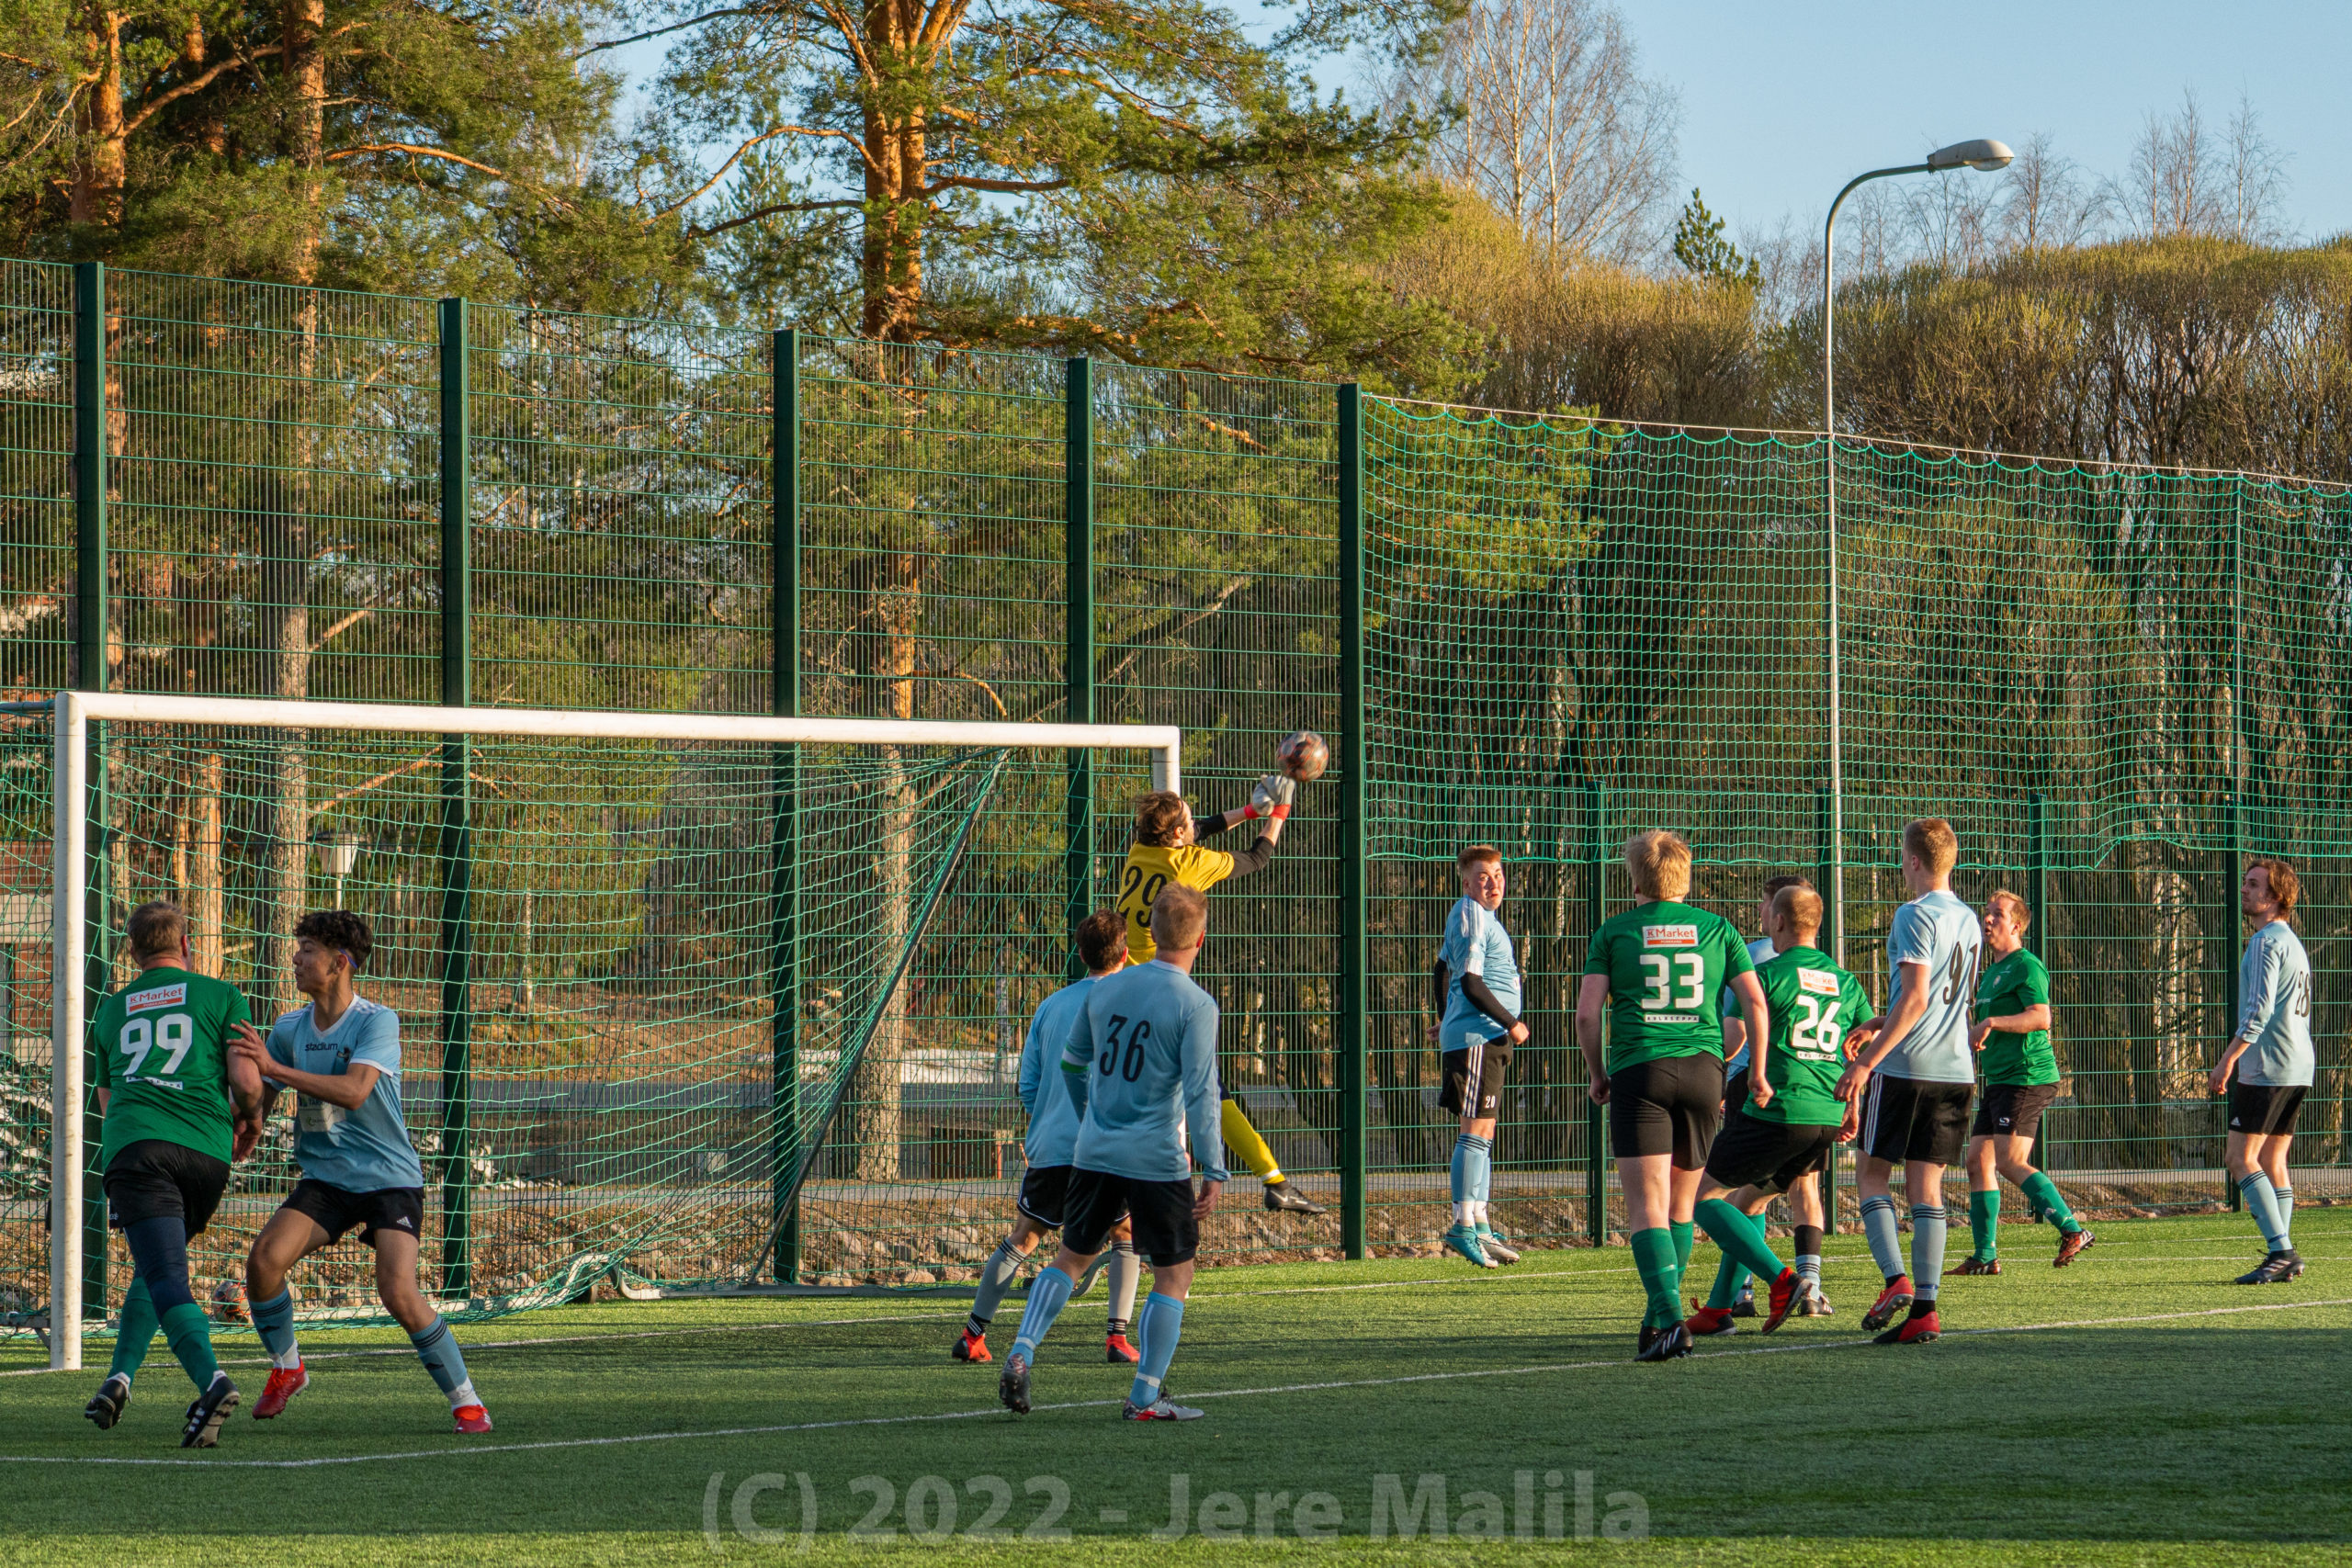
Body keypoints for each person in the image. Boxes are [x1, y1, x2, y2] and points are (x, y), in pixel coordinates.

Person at [230, 910, 492, 1433]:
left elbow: (354, 1092)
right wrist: (244, 1115)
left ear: (340, 963)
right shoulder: (289, 1028)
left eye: (308, 949)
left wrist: (273, 1068)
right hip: (326, 1180)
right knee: (263, 1262)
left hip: (388, 1179)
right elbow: (261, 1097)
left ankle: (468, 1402)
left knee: (397, 1291)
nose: (296, 958)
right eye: (299, 947)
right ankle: (288, 1369)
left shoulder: (377, 1021)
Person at [1000, 885, 1227, 1421]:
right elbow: (1201, 1094)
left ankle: (1021, 1349)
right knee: (1173, 1275)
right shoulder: (1196, 1004)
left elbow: (1072, 1064)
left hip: (1094, 1151)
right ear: (1200, 938)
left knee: (1069, 1258)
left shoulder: (1106, 990)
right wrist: (1213, 1168)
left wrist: (1091, 1117)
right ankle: (1144, 1396)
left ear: (1150, 930)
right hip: (1155, 1159)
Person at [80, 900, 265, 1448]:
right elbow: (246, 1082)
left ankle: (213, 1382)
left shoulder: (111, 1011)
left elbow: (109, 1101)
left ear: (132, 952)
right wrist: (252, 1119)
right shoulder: (222, 995)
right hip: (207, 1155)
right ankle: (119, 1378)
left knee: (164, 1275)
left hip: (140, 1151)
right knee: (156, 1265)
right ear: (186, 945)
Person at [1577, 829, 1766, 1362]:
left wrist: (1597, 1073)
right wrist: (1757, 1072)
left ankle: (1672, 1322)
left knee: (1647, 1210)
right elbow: (1755, 1004)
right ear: (1686, 877)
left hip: (1642, 1069)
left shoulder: (1614, 931)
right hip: (1705, 1071)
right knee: (1682, 1207)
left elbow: (1588, 1015)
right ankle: (1658, 1319)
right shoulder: (1719, 929)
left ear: (1634, 879)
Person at [1116, 784, 1323, 1217]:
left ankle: (1274, 1179)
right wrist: (1278, 813)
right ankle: (1269, 1180)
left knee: (1182, 1088)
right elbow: (1257, 857)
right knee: (1205, 1089)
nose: (1196, 822)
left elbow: (1201, 828)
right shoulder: (1189, 865)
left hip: (1122, 989)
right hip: (1160, 994)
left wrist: (1248, 810)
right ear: (1177, 835)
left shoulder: (1139, 850)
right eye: (1187, 819)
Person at [955, 909, 1144, 1365]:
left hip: (1052, 1146)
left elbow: (1028, 1086)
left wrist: (1048, 1121)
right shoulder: (1132, 1006)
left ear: (1080, 954)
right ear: (1124, 953)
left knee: (1025, 1237)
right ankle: (1117, 1339)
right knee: (1124, 1231)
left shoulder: (1051, 1006)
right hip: (1106, 1148)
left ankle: (973, 1334)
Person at [1689, 885, 1876, 1337]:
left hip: (1780, 1109)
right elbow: (1864, 1044)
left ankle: (1784, 1280)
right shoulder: (1846, 981)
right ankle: (1718, 1310)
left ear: (1777, 921)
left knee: (1700, 1196)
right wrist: (1854, 1104)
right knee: (1751, 1200)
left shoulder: (1766, 975)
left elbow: (1736, 1035)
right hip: (1827, 1116)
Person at [1835, 818, 1980, 1347]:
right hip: (1956, 1071)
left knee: (1871, 1175)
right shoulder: (1968, 918)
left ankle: (1895, 1279)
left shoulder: (1914, 913)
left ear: (1914, 861)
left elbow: (1917, 998)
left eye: (1902, 857)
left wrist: (1866, 1063)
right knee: (1926, 1189)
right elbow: (1940, 997)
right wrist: (1881, 1020)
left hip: (1907, 1068)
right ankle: (1925, 1309)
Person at [1952, 890, 2093, 1274]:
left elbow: (2040, 1017)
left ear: (2016, 926)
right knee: (1976, 1161)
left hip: (2027, 1077)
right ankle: (1985, 1257)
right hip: (2000, 1080)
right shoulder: (1990, 973)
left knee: (2010, 1160)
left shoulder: (2027, 966)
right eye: (1987, 913)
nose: (1987, 919)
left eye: (1997, 914)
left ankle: (2073, 1229)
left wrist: (1992, 1022)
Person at [1715, 874, 1832, 1317]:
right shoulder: (1829, 968)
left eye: (1765, 905)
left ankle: (1745, 1288)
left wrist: (1714, 1072)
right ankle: (1811, 1287)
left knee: (1724, 1191)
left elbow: (1734, 1035)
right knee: (1803, 1187)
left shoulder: (1754, 959)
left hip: (1758, 1085)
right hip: (1820, 1092)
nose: (1761, 914)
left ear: (1777, 915)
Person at [2208, 858, 2312, 1285]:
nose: (2244, 890)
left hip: (2268, 1067)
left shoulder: (2266, 942)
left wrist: (2228, 1060)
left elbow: (2258, 1012)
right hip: (2298, 1065)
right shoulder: (2291, 941)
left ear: (2275, 896)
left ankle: (2281, 1251)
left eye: (2253, 885)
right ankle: (2280, 1251)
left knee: (2239, 1158)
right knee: (2272, 1159)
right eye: (2246, 883)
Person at [1430, 845, 1529, 1269]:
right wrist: (1511, 1022)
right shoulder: (1470, 913)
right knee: (1474, 1132)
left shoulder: (1483, 918)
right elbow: (1470, 982)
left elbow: (1441, 969)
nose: (1494, 883)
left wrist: (1442, 1017)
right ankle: (1462, 1225)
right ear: (1467, 883)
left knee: (1484, 1133)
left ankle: (1480, 1223)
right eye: (1483, 876)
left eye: (1498, 874)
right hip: (1479, 1037)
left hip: (1484, 1037)